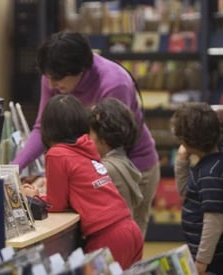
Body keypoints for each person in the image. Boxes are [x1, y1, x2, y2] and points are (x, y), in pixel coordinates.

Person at [11, 31, 160, 237]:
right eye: (47, 78)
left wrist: (66, 173)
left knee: (122, 243)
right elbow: (42, 128)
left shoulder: (115, 83)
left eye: (57, 79)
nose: (52, 85)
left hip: (130, 167)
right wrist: (13, 169)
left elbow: (110, 145)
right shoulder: (54, 76)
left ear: (80, 70)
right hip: (94, 166)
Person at [21, 94, 143, 270]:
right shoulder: (87, 146)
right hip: (129, 229)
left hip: (107, 235)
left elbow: (57, 204)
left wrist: (34, 197)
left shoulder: (57, 154)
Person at [171, 102, 223, 275]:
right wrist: (182, 159)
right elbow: (185, 192)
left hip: (212, 262)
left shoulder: (211, 174)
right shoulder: (208, 164)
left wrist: (201, 261)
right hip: (205, 256)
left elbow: (214, 222)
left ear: (186, 141)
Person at [88, 98, 143, 221]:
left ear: (103, 137)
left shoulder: (104, 169)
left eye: (90, 133)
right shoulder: (123, 161)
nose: (88, 138)